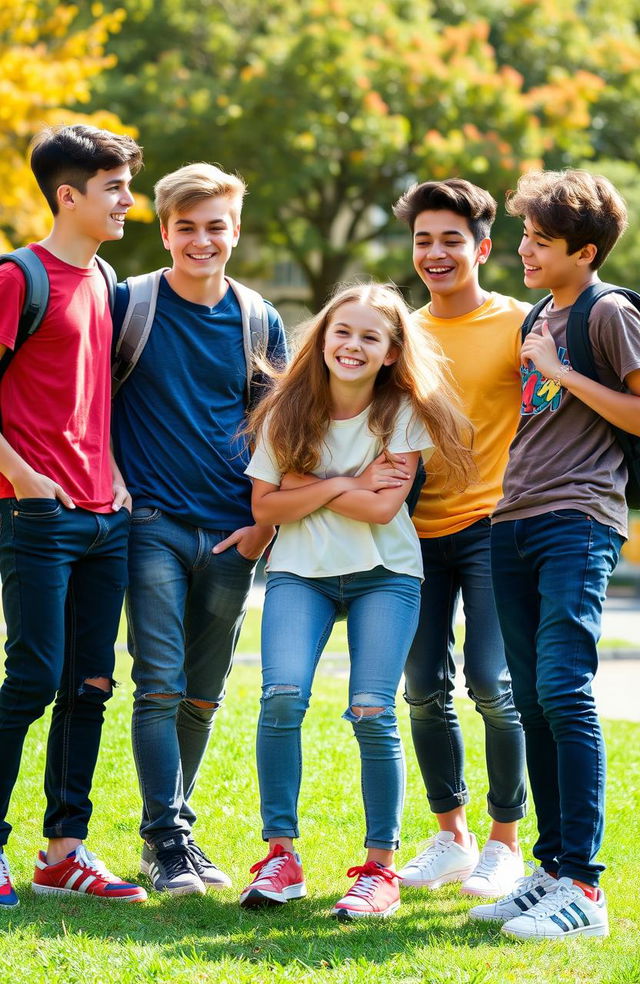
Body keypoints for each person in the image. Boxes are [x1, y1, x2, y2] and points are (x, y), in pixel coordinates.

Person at [239, 281, 474, 920]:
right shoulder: (288, 409)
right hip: (299, 574)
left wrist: (305, 485)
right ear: (323, 337)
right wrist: (345, 479)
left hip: (385, 574)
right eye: (343, 331)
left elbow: (381, 507)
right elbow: (264, 507)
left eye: (372, 336)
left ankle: (379, 869)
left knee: (372, 710)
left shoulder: (403, 413)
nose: (353, 345)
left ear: (393, 351)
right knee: (281, 698)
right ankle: (280, 857)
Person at [111, 163, 287, 896]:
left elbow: (278, 431)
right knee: (157, 683)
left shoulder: (259, 319)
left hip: (230, 533)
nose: (202, 239)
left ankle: (173, 830)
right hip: (149, 520)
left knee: (203, 694)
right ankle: (167, 838)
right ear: (165, 230)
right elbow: (92, 403)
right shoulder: (130, 305)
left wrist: (261, 531)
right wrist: (115, 485)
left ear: (236, 231)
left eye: (216, 226)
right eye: (187, 226)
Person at [474, 169, 640, 939]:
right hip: (515, 518)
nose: (524, 251)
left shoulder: (608, 314)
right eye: (525, 237)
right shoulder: (537, 313)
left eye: (540, 242)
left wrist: (564, 372)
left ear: (587, 249)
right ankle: (549, 869)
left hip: (579, 517)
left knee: (564, 689)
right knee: (533, 697)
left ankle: (586, 888)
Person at [0, 123, 146, 908]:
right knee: (29, 680)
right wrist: (23, 476)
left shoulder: (104, 279)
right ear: (69, 195)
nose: (129, 200)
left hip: (103, 516)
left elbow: (90, 397)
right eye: (114, 187)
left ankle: (64, 852)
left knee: (90, 684)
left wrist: (113, 474)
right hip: (37, 516)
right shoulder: (18, 277)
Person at [391, 179, 528, 899]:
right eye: (423, 241)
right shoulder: (403, 331)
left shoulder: (521, 324)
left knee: (493, 685)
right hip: (413, 533)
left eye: (450, 240)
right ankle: (452, 837)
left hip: (493, 526)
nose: (435, 253)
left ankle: (506, 844)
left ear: (482, 246)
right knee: (421, 687)